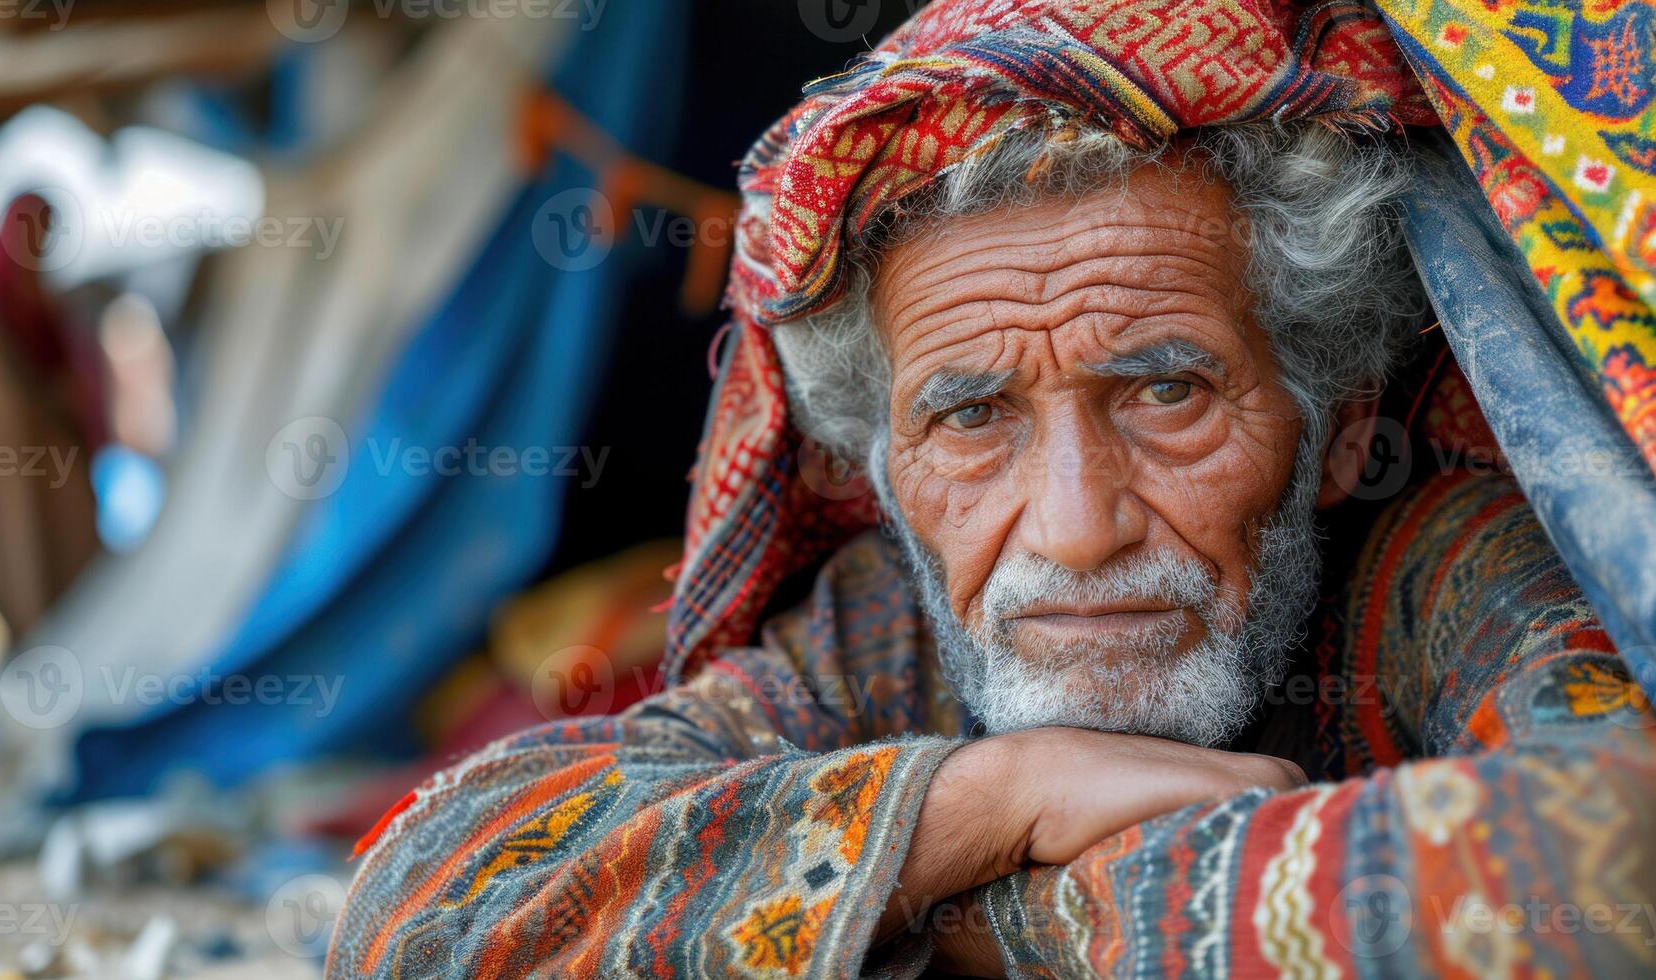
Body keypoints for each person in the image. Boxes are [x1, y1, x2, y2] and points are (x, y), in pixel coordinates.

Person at [327, 1, 1656, 975]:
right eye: (971, 416)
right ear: (886, 470)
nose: (1075, 533)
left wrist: (980, 918)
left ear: (1338, 427)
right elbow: (422, 904)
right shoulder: (886, 633)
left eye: (1164, 393)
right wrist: (985, 801)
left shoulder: (1440, 559)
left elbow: (1610, 856)